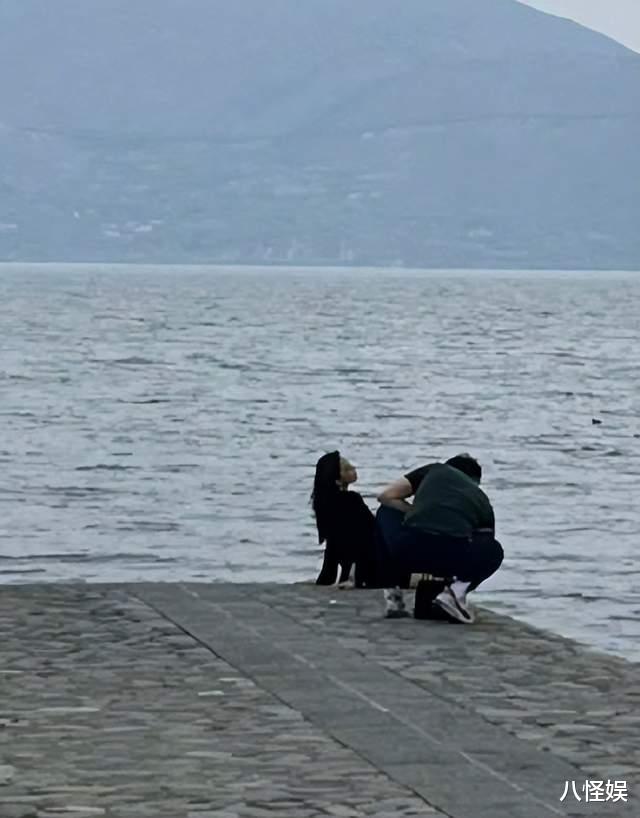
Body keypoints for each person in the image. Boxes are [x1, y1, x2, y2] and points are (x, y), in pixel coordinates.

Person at [376, 453, 503, 623]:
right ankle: (454, 592)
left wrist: (414, 512)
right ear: (476, 480)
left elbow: (385, 496)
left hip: (407, 550)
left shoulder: (434, 470)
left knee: (387, 510)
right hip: (451, 560)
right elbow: (483, 547)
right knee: (493, 550)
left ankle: (394, 594)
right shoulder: (481, 499)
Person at [312, 451, 377, 587]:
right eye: (347, 469)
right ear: (337, 480)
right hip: (360, 556)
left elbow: (333, 542)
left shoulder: (324, 503)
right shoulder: (351, 499)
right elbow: (371, 527)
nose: (354, 469)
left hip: (341, 554)